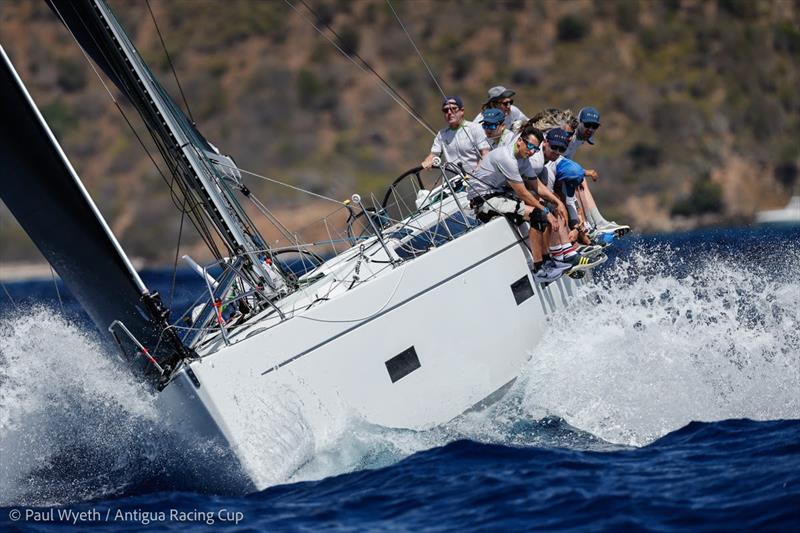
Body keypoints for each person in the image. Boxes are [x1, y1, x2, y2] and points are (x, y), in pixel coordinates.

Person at [468, 125, 573, 283]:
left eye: (536, 149)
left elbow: (536, 185)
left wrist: (558, 203)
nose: (532, 151)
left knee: (547, 210)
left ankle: (548, 261)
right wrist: (546, 210)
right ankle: (538, 268)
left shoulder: (523, 159)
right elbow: (523, 192)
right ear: (519, 141)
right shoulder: (506, 158)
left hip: (498, 194)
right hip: (483, 199)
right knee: (539, 214)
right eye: (530, 146)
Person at [563, 106, 629, 236]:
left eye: (594, 127)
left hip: (559, 171)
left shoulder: (581, 139)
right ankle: (596, 224)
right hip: (547, 171)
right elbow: (557, 159)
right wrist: (584, 171)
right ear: (579, 122)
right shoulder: (570, 136)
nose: (590, 129)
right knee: (579, 179)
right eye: (587, 125)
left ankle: (594, 225)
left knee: (579, 182)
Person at [421, 96, 489, 174]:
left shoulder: (475, 128)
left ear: (462, 111)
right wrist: (428, 161)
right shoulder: (442, 134)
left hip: (476, 178)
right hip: (454, 182)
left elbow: (485, 154)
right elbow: (434, 154)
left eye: (454, 109)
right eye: (446, 110)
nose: (449, 112)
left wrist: (476, 175)